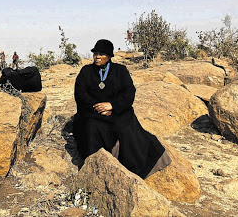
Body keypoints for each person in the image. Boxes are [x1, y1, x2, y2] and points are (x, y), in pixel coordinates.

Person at [73, 39, 171, 179]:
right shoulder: (86, 71)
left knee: (128, 129)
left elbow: (129, 92)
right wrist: (98, 107)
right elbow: (80, 94)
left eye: (101, 54)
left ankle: (133, 171)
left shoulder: (120, 71)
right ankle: (95, 170)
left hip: (116, 112)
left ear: (109, 56)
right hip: (93, 113)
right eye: (95, 53)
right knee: (90, 128)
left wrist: (112, 105)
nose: (97, 57)